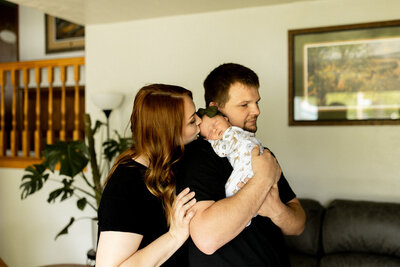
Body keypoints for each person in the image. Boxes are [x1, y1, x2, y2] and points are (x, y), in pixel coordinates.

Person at [176, 63, 306, 266]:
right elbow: (206, 238)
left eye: (256, 102)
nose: (257, 110)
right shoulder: (198, 156)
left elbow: (298, 224)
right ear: (214, 109)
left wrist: (276, 210)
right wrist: (263, 181)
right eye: (244, 105)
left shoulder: (260, 153)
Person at [96, 84, 202, 267]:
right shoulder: (126, 185)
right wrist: (174, 236)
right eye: (192, 121)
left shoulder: (176, 163)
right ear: (168, 132)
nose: (200, 121)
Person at [197, 106, 264, 199]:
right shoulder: (239, 131)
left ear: (225, 119)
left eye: (215, 123)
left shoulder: (230, 133)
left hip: (247, 164)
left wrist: (212, 141)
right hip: (255, 159)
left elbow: (223, 151)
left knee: (229, 191)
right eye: (209, 133)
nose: (214, 130)